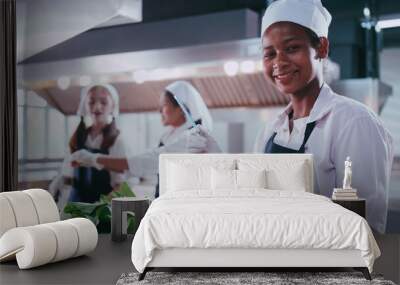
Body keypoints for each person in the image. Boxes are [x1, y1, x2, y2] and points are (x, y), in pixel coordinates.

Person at [252, 0, 393, 233]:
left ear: (322, 47)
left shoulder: (354, 123)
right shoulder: (269, 130)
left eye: (291, 48)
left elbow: (364, 229)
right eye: (269, 54)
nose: (278, 62)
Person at [71, 81, 217, 198]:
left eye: (164, 105)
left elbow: (148, 161)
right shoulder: (168, 136)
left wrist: (95, 159)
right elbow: (141, 167)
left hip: (186, 207)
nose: (159, 111)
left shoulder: (195, 137)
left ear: (181, 108)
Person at [65, 83, 127, 203]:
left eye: (103, 102)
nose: (97, 107)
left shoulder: (117, 141)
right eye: (91, 102)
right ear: (84, 105)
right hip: (76, 204)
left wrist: (98, 208)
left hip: (102, 208)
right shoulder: (77, 138)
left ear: (113, 106)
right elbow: (68, 175)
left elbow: (119, 185)